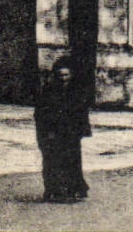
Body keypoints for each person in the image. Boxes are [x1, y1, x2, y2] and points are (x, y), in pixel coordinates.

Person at [34, 56, 91, 203]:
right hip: (52, 132)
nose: (63, 78)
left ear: (71, 75)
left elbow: (82, 112)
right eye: (60, 75)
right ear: (55, 75)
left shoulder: (77, 91)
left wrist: (82, 130)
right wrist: (46, 132)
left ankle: (75, 190)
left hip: (71, 132)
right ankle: (53, 190)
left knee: (72, 160)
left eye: (66, 75)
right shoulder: (48, 90)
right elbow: (41, 113)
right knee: (52, 160)